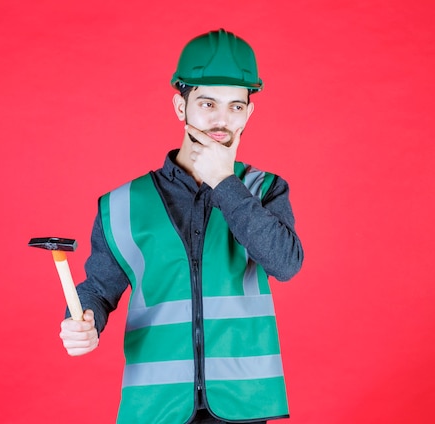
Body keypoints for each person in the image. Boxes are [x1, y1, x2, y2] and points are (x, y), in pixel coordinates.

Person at [59, 29, 304, 424]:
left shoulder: (265, 190)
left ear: (249, 112)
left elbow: (285, 263)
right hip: (156, 405)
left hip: (243, 402)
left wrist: (225, 183)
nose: (222, 120)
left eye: (235, 107)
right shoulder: (121, 204)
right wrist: (82, 320)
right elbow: (98, 290)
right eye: (207, 103)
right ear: (180, 106)